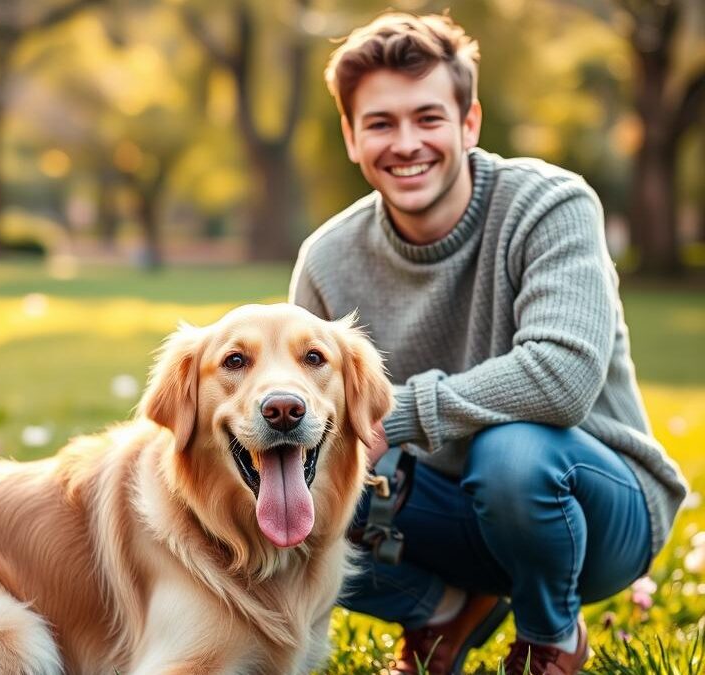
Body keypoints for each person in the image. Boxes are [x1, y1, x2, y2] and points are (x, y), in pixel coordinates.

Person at [289, 12, 688, 675]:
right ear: (352, 137)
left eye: (429, 117)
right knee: (289, 490)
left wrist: (398, 414)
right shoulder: (328, 259)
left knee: (512, 451)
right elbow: (307, 411)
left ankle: (548, 636)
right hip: (436, 512)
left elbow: (562, 377)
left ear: (468, 124)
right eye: (381, 123)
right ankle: (441, 608)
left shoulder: (551, 205)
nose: (407, 142)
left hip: (595, 508)